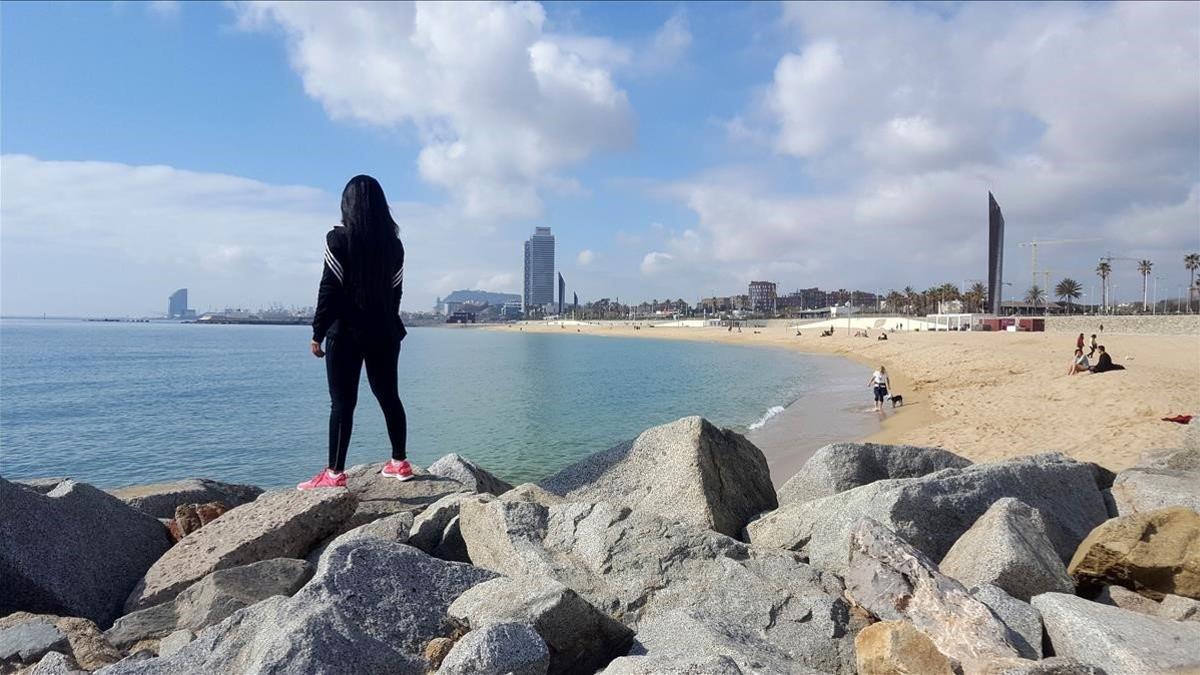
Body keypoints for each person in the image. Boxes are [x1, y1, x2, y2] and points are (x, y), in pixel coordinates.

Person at [299, 175, 411, 490]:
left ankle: (334, 474)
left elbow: (329, 289)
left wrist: (317, 332)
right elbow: (395, 293)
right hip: (384, 332)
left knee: (343, 403)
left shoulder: (337, 240)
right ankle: (399, 462)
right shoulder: (394, 245)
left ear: (347, 204)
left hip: (345, 332)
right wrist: (387, 322)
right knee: (389, 397)